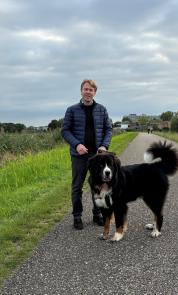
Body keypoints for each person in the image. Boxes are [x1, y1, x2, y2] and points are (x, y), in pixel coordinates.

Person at [61, 79, 113, 230]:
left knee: (97, 186)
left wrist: (104, 145)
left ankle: (97, 214)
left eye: (91, 90)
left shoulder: (102, 110)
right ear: (81, 91)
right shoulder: (72, 110)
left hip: (97, 157)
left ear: (95, 92)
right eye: (86, 89)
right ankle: (77, 217)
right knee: (77, 186)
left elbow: (109, 129)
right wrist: (77, 144)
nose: (88, 92)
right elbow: (65, 131)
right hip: (79, 156)